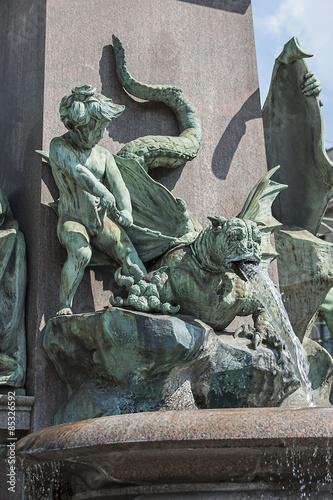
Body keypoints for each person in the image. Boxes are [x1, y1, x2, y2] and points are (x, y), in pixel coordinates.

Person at [49, 84, 147, 316]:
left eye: (103, 129)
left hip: (100, 222)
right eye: (95, 129)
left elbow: (119, 185)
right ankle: (64, 304)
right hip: (72, 220)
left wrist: (126, 211)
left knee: (128, 252)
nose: (101, 135)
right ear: (75, 127)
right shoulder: (59, 146)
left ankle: (148, 294)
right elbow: (78, 173)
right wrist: (104, 193)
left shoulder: (103, 155)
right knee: (81, 252)